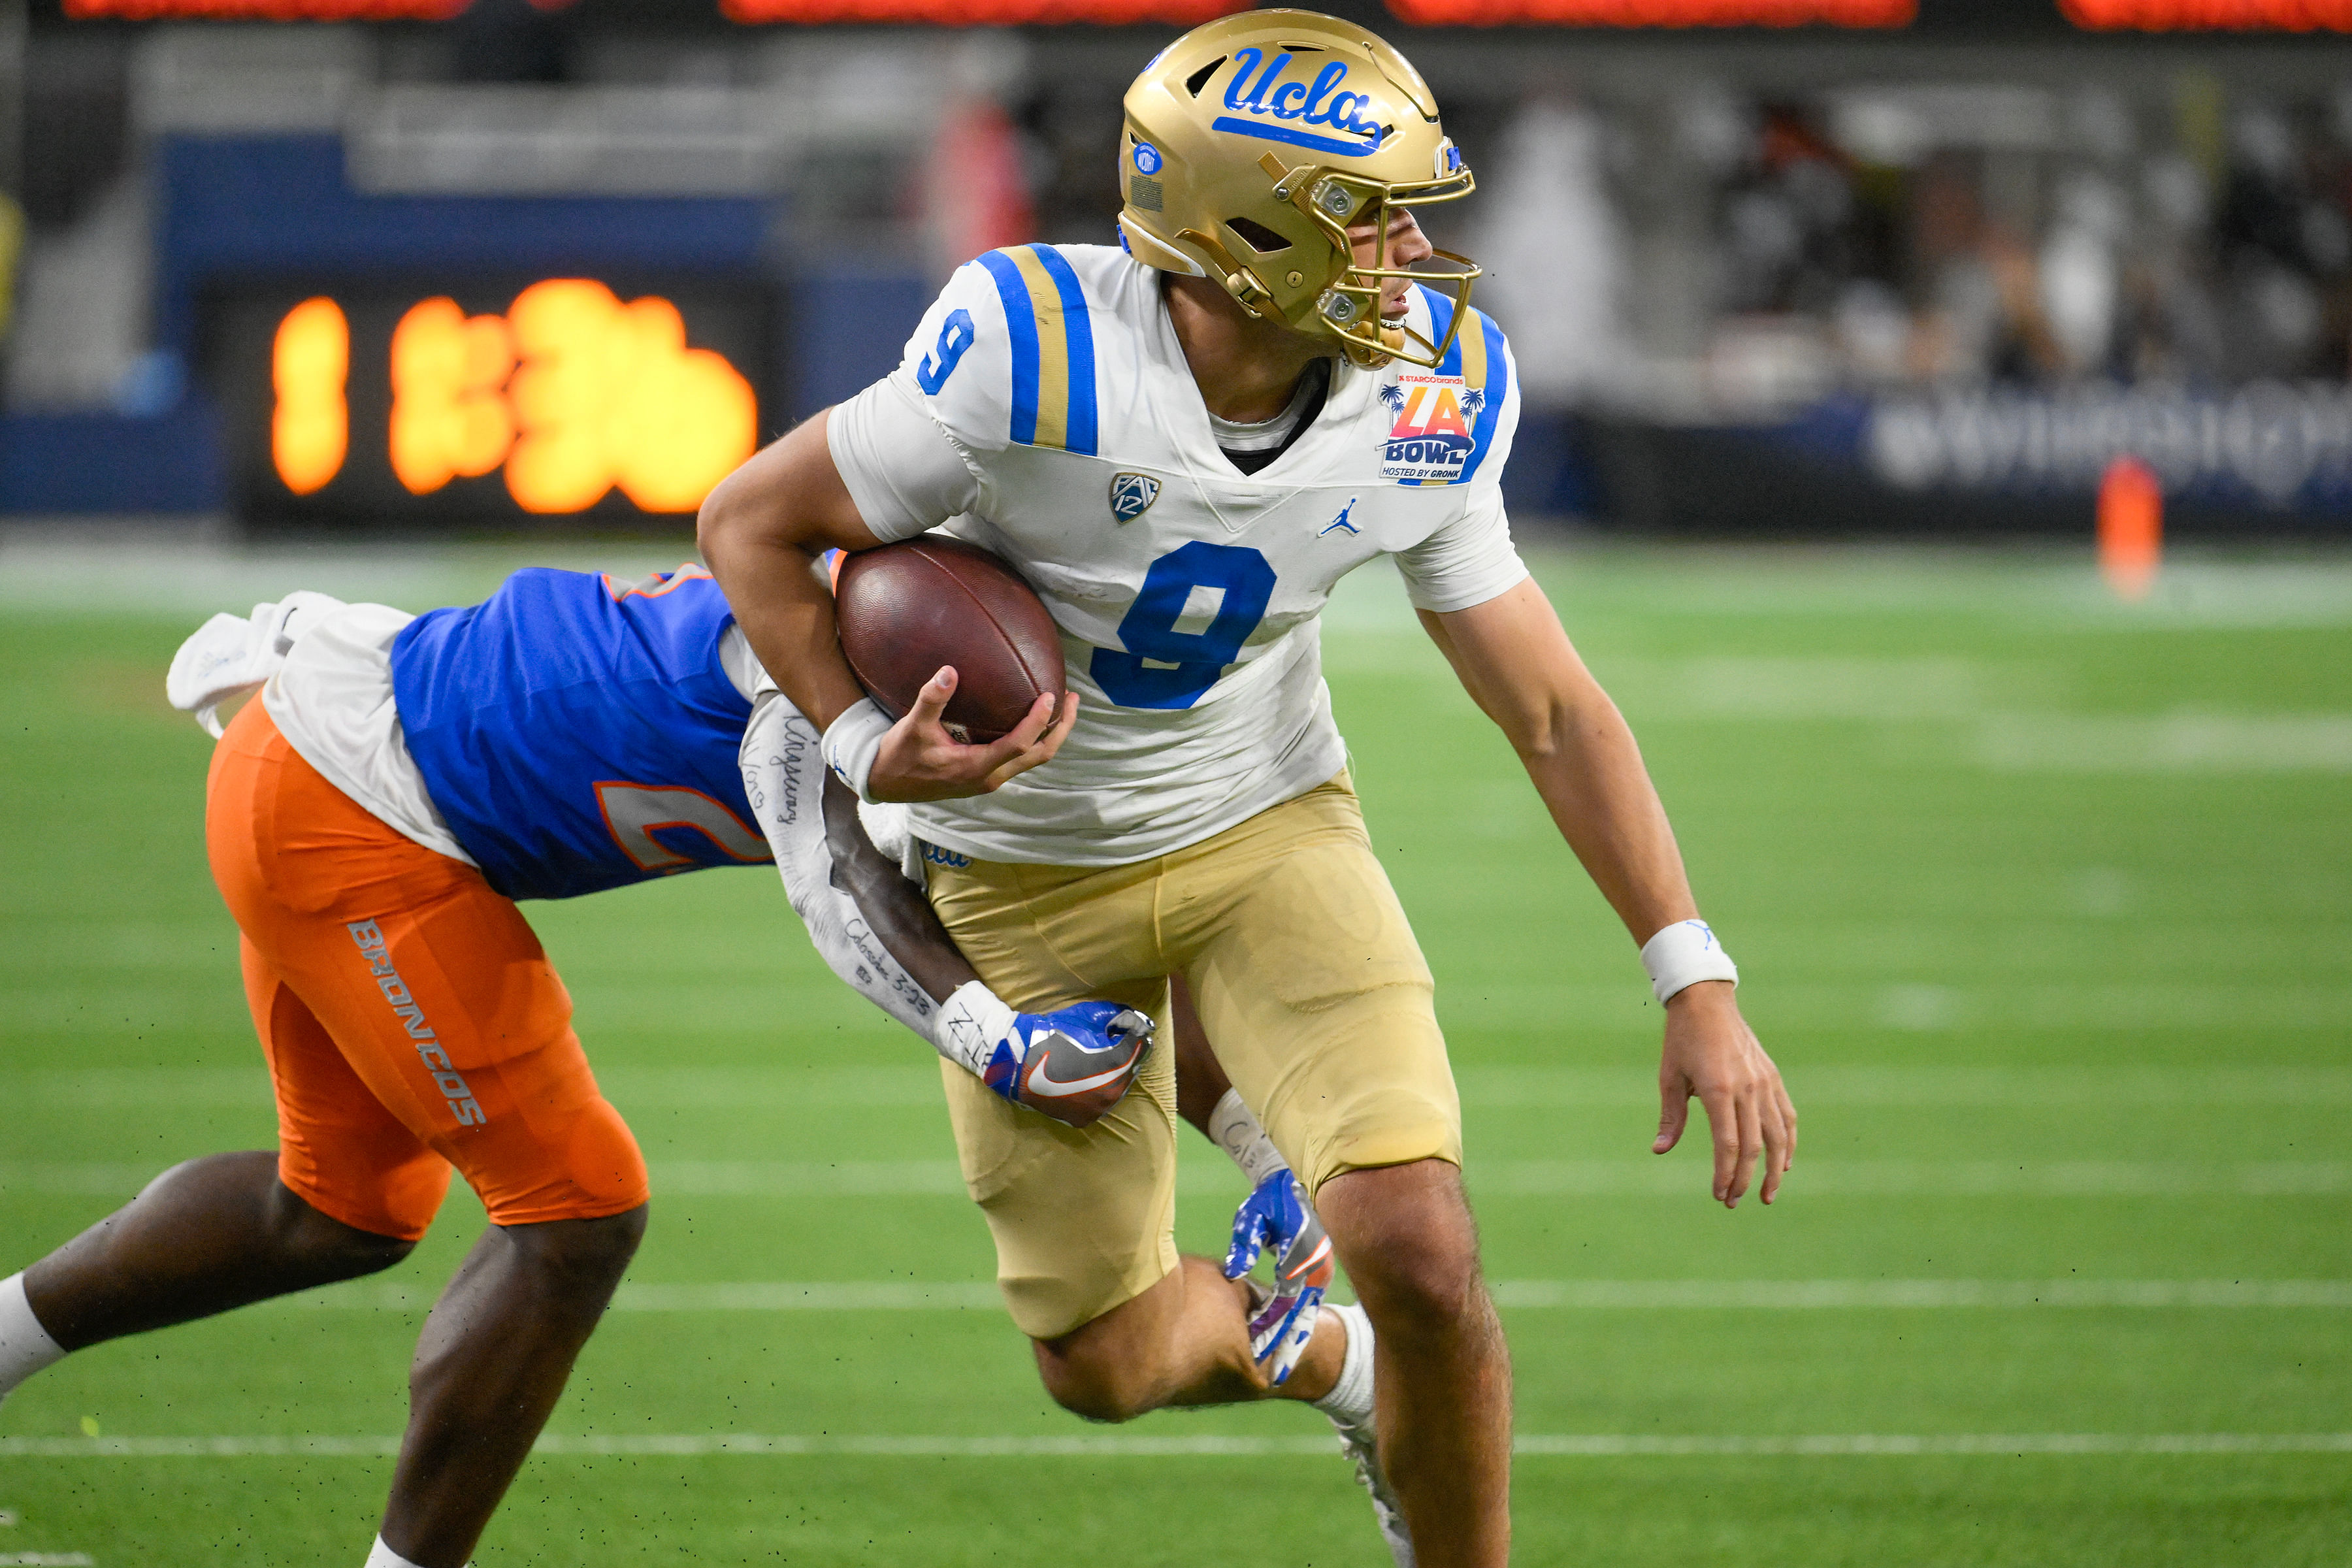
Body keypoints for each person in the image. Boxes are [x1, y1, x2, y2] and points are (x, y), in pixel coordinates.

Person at [696, 12, 1799, 1565]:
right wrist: (866, 740)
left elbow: (1549, 708)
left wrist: (1693, 973)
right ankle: (1321, 1360)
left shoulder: (1429, 389)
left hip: (1266, 824)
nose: (1415, 247)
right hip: (1017, 875)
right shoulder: (1031, 351)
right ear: (1252, 236)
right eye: (1375, 212)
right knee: (1106, 1366)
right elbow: (749, 525)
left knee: (1418, 1245)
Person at [0, 564, 1161, 1568]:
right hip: (350, 808)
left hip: (322, 759)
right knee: (578, 1211)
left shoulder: (862, 617)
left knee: (338, 1210)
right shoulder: (802, 683)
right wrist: (993, 1040)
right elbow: (843, 892)